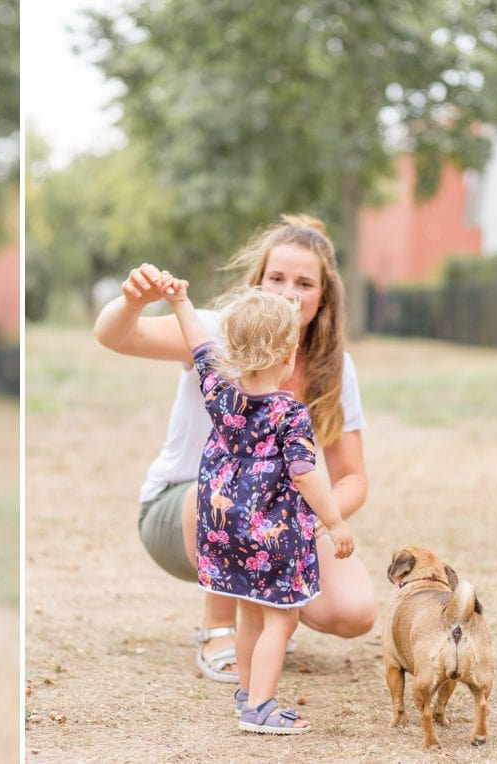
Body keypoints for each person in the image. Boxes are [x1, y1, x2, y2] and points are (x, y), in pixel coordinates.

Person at [93, 215, 375, 684]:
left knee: (353, 611)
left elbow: (353, 479)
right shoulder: (216, 331)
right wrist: (130, 303)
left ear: (323, 297)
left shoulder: (335, 367)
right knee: (234, 493)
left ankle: (267, 611)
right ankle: (218, 627)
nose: (288, 292)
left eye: (304, 283)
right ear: (257, 283)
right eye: (277, 278)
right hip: (179, 509)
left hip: (278, 516)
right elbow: (115, 336)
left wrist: (307, 519)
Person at [156, 274, 353, 733]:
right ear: (288, 357)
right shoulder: (289, 413)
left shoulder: (219, 392)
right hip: (274, 537)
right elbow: (305, 474)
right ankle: (261, 707)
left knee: (249, 612)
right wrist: (336, 521)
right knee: (281, 622)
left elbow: (199, 343)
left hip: (224, 532)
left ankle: (248, 691)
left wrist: (182, 301)